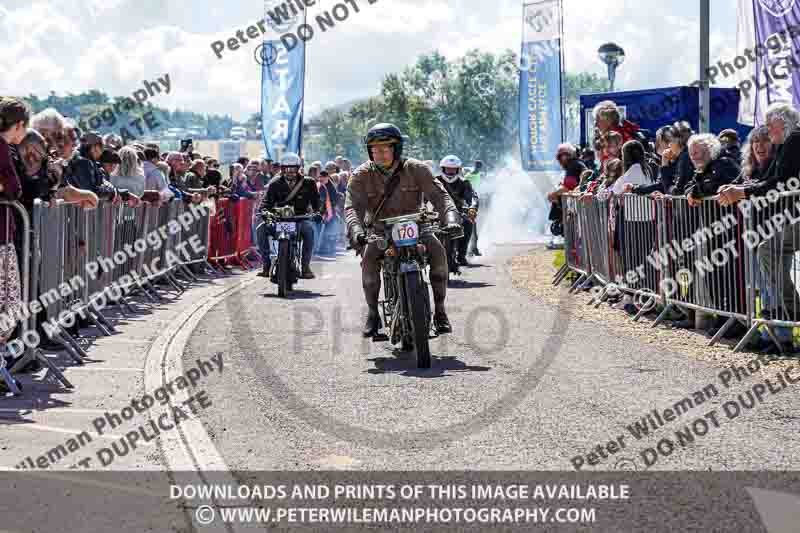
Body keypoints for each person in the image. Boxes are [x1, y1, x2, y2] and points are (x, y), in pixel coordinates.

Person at [345, 123, 460, 337]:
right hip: (380, 229)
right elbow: (352, 207)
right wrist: (356, 230)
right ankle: (372, 314)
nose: (379, 152)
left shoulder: (416, 168)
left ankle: (441, 311)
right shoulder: (360, 175)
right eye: (374, 149)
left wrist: (451, 219)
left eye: (385, 148)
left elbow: (440, 196)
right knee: (369, 261)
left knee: (438, 254)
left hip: (418, 225)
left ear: (396, 148)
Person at [719, 103, 800, 349]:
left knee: (768, 249)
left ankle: (791, 310)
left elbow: (781, 183)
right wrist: (740, 188)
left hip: (792, 215)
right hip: (790, 216)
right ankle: (789, 309)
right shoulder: (787, 143)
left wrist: (742, 191)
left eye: (769, 124)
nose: (766, 129)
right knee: (768, 249)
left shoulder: (795, 139)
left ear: (782, 123)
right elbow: (768, 180)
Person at [256, 152, 322, 279]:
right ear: (282, 169)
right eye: (287, 169)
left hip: (299, 219)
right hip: (278, 219)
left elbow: (317, 201)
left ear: (298, 169)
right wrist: (264, 212)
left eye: (293, 169)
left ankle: (305, 266)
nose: (290, 172)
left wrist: (319, 212)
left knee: (309, 230)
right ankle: (266, 265)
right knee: (261, 229)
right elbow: (266, 202)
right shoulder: (274, 183)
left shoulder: (308, 183)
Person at [436, 155, 479, 265]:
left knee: (469, 224)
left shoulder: (464, 182)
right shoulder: (436, 181)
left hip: (458, 212)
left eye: (453, 168)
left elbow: (472, 197)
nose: (450, 171)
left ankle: (461, 255)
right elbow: (425, 196)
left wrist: (472, 207)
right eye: (448, 168)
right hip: (438, 212)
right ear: (443, 168)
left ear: (458, 169)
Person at [547, 143, 585, 229]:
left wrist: (552, 194)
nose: (560, 160)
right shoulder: (577, 163)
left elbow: (568, 188)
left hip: (580, 205)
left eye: (562, 156)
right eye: (559, 157)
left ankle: (561, 223)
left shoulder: (573, 165)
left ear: (569, 155)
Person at [463, 160, 483, 256]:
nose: (477, 168)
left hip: (472, 200)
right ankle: (472, 248)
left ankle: (473, 247)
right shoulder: (468, 176)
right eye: (477, 166)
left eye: (479, 166)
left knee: (472, 223)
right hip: (466, 200)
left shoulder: (473, 174)